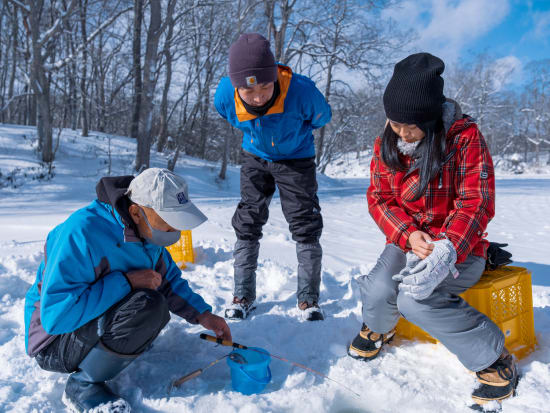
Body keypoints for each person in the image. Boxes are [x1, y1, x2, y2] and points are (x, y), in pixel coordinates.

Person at [347, 53, 517, 407]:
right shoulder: (385, 143)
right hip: (409, 239)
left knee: (415, 299)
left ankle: (494, 360)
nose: (403, 134)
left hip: (460, 245)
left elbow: (476, 201)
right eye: (396, 124)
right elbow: (379, 198)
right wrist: (408, 234)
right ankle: (380, 326)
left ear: (431, 117)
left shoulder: (464, 138)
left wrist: (447, 247)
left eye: (412, 126)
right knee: (380, 291)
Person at [24, 168, 231, 412]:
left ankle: (114, 348)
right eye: (168, 223)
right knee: (149, 306)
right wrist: (127, 282)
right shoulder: (81, 233)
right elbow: (56, 318)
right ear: (136, 212)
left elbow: (166, 279)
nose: (175, 231)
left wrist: (202, 314)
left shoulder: (143, 232)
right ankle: (84, 385)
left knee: (151, 304)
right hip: (53, 343)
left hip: (85, 325)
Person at [214, 33, 332, 321]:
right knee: (248, 218)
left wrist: (294, 135)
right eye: (248, 91)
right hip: (255, 156)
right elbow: (228, 114)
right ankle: (242, 295)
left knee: (304, 220)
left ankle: (308, 299)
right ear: (236, 87)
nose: (257, 97)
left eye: (265, 87)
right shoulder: (225, 95)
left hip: (296, 159)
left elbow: (322, 117)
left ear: (274, 79)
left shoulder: (301, 91)